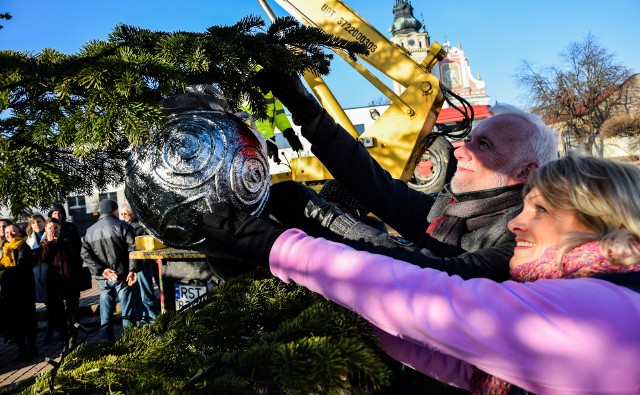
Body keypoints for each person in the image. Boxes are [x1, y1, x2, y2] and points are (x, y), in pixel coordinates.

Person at [196, 154, 640, 394]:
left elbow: (432, 300)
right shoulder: (595, 291)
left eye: (539, 209)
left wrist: (276, 245)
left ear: (598, 220)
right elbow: (468, 369)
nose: (515, 223)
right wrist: (359, 315)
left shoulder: (602, 316)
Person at [256, 71, 558, 282]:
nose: (459, 151)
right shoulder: (452, 208)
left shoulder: (526, 236)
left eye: (484, 145)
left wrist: (323, 217)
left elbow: (437, 275)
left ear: (524, 171)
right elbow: (379, 187)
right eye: (468, 140)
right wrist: (307, 112)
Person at [81, 199, 139, 342]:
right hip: (122, 274)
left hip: (104, 278)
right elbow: (134, 248)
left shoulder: (90, 231)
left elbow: (85, 254)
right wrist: (133, 269)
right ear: (114, 211)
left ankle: (107, 342)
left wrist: (102, 270)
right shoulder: (123, 226)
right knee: (127, 310)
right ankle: (129, 340)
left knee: (106, 312)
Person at [40, 217, 83, 351]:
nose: (53, 230)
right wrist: (50, 243)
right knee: (58, 313)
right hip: (55, 283)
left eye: (55, 228)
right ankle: (64, 340)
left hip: (70, 281)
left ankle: (74, 337)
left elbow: (77, 259)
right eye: (50, 228)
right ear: (45, 230)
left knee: (73, 311)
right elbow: (43, 259)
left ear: (60, 228)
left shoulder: (66, 241)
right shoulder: (44, 244)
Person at [0, 224, 38, 362]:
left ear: (19, 232)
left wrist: (3, 273)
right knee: (17, 323)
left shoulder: (23, 247)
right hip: (10, 292)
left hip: (24, 290)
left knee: (29, 321)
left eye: (13, 231)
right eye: (7, 232)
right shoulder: (5, 248)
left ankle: (33, 349)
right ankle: (22, 350)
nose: (10, 234)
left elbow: (22, 268)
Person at [242, 89, 304, 164]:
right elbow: (257, 117)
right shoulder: (252, 89)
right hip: (248, 140)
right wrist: (268, 140)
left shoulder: (273, 91)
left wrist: (289, 134)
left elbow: (279, 115)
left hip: (261, 140)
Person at [120, 203, 159, 322]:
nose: (123, 216)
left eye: (125, 214)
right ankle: (147, 318)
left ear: (131, 213)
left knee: (146, 294)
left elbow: (137, 247)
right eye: (121, 214)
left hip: (142, 264)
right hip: (136, 265)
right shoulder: (129, 225)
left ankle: (152, 318)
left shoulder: (136, 226)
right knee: (141, 294)